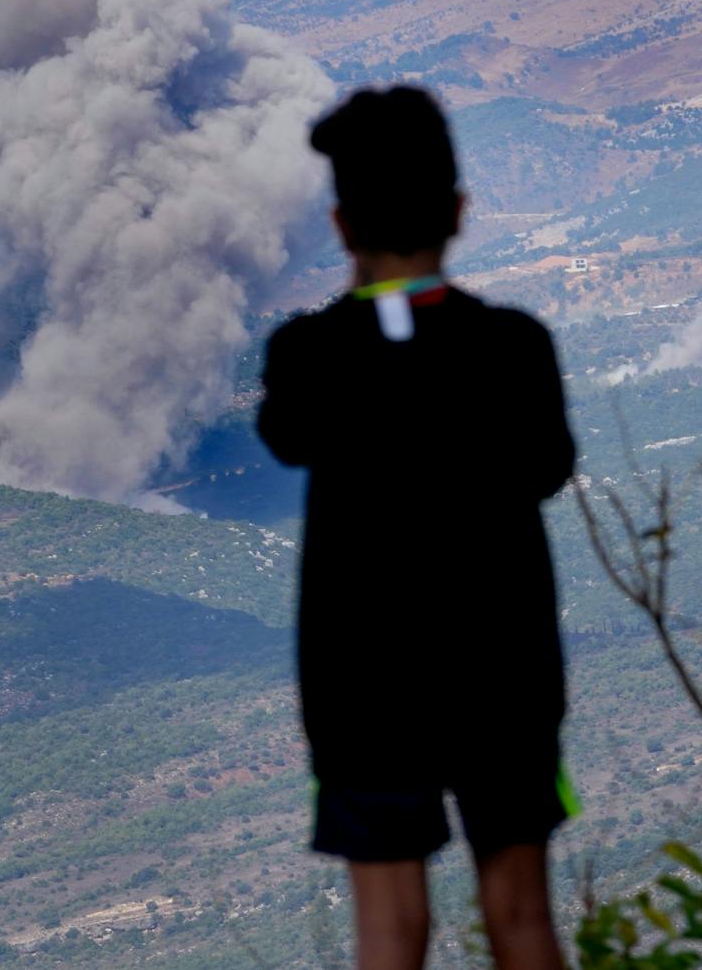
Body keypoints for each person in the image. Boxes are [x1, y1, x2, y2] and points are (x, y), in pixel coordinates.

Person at [256, 87, 578, 970]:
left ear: (340, 224)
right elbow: (548, 467)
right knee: (522, 920)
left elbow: (286, 434)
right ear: (461, 212)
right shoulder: (515, 346)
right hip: (503, 674)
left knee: (391, 935)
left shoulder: (308, 355)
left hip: (364, 686)